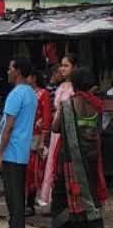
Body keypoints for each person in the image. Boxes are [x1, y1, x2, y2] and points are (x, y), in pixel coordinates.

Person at [48, 66, 106, 228]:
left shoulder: (68, 104)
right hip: (91, 157)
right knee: (90, 193)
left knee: (63, 194)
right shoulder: (97, 105)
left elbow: (55, 128)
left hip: (69, 159)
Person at [0, 58, 39, 228]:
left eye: (10, 69)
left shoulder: (15, 94)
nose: (8, 72)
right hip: (22, 148)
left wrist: (0, 154)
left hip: (12, 149)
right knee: (17, 190)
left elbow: (8, 127)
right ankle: (13, 226)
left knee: (13, 192)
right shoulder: (31, 93)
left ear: (18, 72)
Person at [38, 55, 76, 209]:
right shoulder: (61, 87)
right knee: (52, 163)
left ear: (75, 67)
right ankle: (52, 199)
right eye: (61, 65)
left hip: (67, 131)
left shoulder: (76, 88)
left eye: (66, 66)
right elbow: (56, 110)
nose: (62, 69)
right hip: (56, 131)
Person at [26, 69, 52, 209]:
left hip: (36, 136)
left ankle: (30, 204)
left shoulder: (43, 94)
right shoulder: (25, 93)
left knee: (33, 171)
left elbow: (46, 118)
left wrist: (43, 140)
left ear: (34, 77)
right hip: (25, 136)